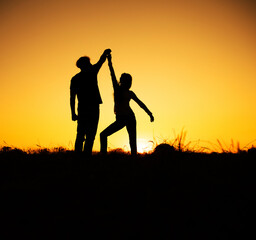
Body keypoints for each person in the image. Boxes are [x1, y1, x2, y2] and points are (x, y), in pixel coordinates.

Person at [100, 53, 154, 155]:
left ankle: (132, 160)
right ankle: (104, 157)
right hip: (123, 118)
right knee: (104, 135)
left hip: (129, 118)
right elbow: (112, 74)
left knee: (132, 140)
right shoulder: (118, 89)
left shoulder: (129, 93)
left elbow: (140, 103)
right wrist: (109, 62)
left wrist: (149, 113)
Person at [70, 49, 111, 155]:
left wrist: (73, 113)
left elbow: (72, 98)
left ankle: (81, 158)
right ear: (83, 65)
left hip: (86, 107)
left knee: (85, 134)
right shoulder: (90, 72)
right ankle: (83, 158)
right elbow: (72, 97)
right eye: (88, 63)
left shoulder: (76, 78)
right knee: (87, 134)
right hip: (90, 107)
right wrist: (104, 53)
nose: (91, 64)